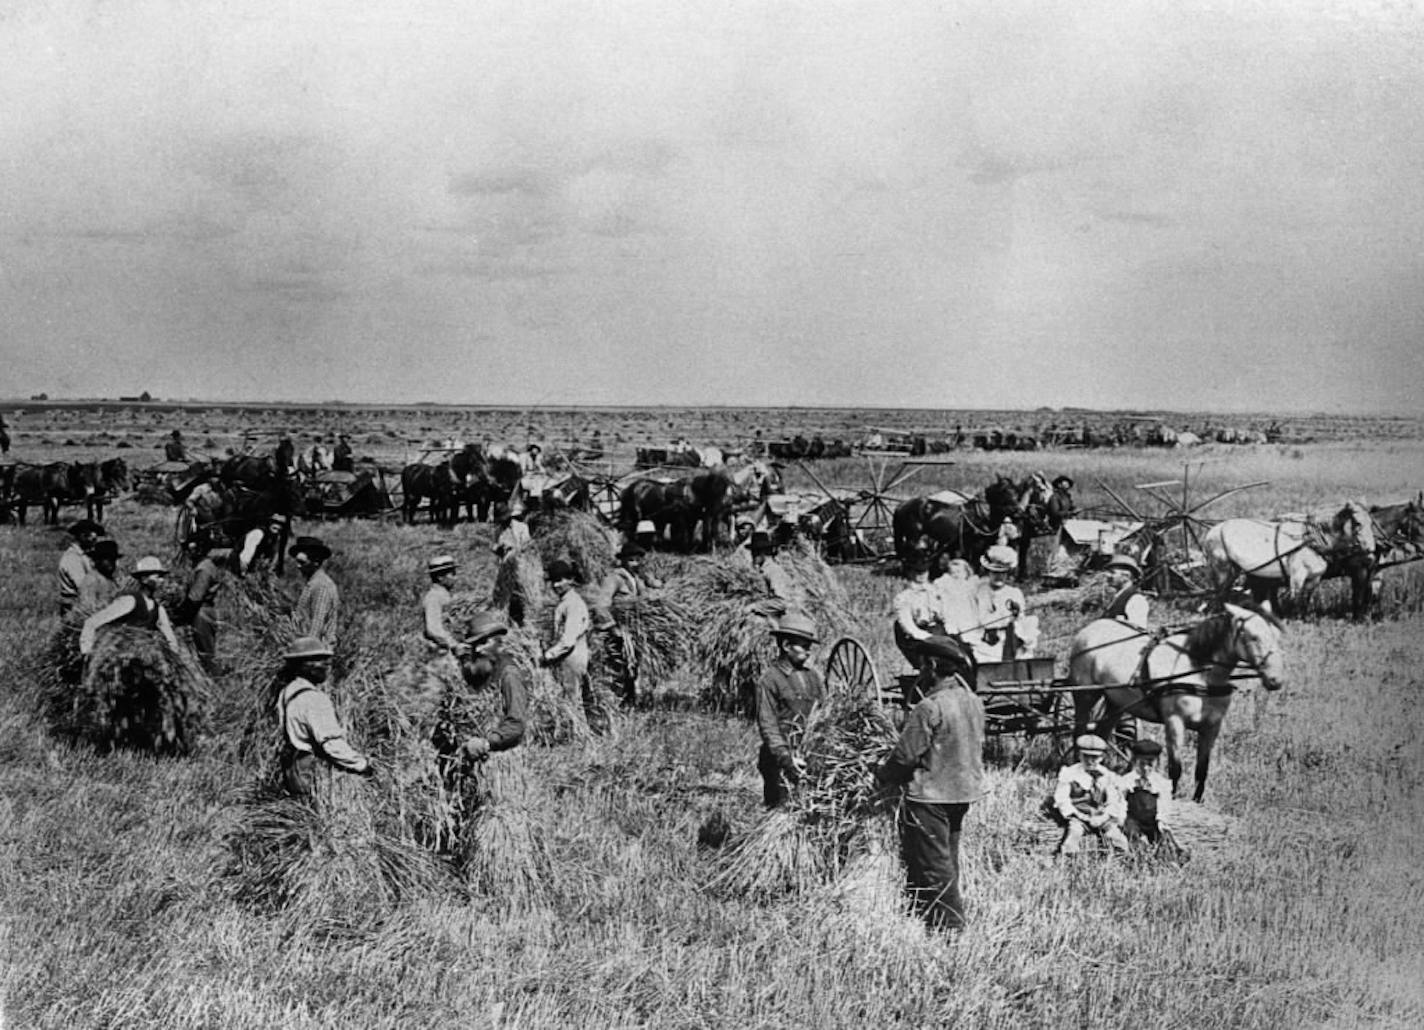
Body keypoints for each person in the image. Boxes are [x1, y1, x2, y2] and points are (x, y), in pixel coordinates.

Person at [875, 636, 986, 932]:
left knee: (935, 865)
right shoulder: (973, 701)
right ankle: (930, 914)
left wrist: (881, 775)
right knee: (948, 857)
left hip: (931, 795)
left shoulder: (929, 706)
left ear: (933, 665)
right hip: (963, 792)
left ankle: (951, 930)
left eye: (923, 664)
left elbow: (905, 756)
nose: (921, 670)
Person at [274, 636, 374, 798]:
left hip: (293, 771)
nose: (327, 667)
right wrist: (363, 765)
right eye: (322, 662)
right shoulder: (314, 699)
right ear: (305, 666)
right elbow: (331, 744)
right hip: (312, 776)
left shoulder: (288, 691)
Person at [754, 612, 823, 808]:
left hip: (809, 757)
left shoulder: (814, 678)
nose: (808, 652)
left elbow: (823, 714)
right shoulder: (770, 679)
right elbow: (768, 725)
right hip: (779, 762)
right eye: (804, 646)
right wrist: (786, 758)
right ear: (785, 646)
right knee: (780, 811)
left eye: (810, 647)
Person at [441, 611, 529, 764]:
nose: (478, 650)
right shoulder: (484, 669)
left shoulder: (509, 674)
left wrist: (486, 744)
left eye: (483, 643)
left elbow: (516, 725)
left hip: (498, 758)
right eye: (475, 645)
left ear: (497, 643)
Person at [79, 556, 180, 658]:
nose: (162, 581)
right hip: (122, 655)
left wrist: (174, 658)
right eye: (158, 577)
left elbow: (170, 638)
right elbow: (92, 623)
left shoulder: (158, 609)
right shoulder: (129, 601)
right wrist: (87, 653)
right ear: (144, 579)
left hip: (144, 656)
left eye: (162, 577)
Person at [592, 543, 656, 705]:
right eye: (632, 560)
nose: (636, 563)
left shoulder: (636, 579)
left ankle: (629, 701)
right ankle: (613, 703)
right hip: (617, 632)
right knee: (617, 668)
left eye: (638, 560)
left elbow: (645, 598)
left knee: (631, 668)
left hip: (632, 632)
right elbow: (601, 605)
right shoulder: (614, 579)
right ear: (624, 561)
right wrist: (613, 628)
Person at [1052, 734, 1129, 857]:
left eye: (1095, 757)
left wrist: (1104, 817)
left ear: (1102, 757)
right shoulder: (1070, 774)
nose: (1090, 761)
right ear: (1079, 755)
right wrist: (1079, 816)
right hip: (1079, 817)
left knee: (1117, 838)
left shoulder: (1106, 775)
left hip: (1101, 817)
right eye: (1086, 756)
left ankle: (1117, 863)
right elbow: (1062, 799)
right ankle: (1068, 863)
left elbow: (1113, 800)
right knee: (1074, 835)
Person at [543, 559, 594, 733]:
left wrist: (548, 655)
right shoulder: (566, 602)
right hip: (570, 655)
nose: (556, 585)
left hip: (572, 656)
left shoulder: (573, 604)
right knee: (571, 697)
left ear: (570, 580)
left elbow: (568, 639)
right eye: (553, 581)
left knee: (573, 699)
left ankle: (582, 737)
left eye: (560, 580)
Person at [968, 545, 1038, 663]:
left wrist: (1016, 615)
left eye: (1002, 573)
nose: (998, 577)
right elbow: (972, 618)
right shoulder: (978, 591)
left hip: (1009, 641)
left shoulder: (1014, 593)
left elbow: (1021, 621)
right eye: (994, 573)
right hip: (984, 643)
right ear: (988, 572)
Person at [1114, 739, 1183, 856]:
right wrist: (1121, 820)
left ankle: (1167, 857)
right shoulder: (1126, 781)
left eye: (1150, 764)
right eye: (1142, 764)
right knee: (1133, 837)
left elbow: (1163, 806)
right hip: (1133, 819)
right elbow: (1121, 802)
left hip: (1152, 820)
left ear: (1156, 763)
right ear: (1135, 761)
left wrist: (1161, 822)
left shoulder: (1161, 783)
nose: (1146, 768)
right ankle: (1140, 856)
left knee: (1165, 842)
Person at [180, 543, 231, 675]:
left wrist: (181, 616)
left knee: (206, 652)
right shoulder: (202, 566)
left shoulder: (204, 568)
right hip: (203, 610)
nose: (190, 553)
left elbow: (196, 597)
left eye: (193, 549)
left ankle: (216, 677)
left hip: (202, 612)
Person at [893, 554, 946, 671]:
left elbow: (946, 614)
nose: (922, 575)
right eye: (918, 572)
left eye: (925, 571)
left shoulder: (935, 591)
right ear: (910, 573)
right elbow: (908, 625)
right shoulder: (903, 598)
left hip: (937, 631)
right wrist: (926, 637)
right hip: (915, 638)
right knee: (936, 658)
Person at [290, 536, 340, 646]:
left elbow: (317, 624)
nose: (298, 566)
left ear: (316, 562)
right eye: (297, 562)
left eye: (302, 562)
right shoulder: (312, 583)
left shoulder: (321, 586)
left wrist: (307, 649)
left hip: (317, 650)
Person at [58, 519, 105, 615]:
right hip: (75, 609)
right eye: (92, 538)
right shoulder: (72, 558)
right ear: (82, 536)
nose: (94, 543)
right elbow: (83, 587)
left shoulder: (84, 555)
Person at [1100, 552, 1150, 629]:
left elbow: (1136, 634)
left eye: (1113, 573)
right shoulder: (1116, 597)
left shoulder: (1136, 600)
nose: (1108, 576)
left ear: (1126, 576)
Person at [77, 538, 125, 611]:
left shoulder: (111, 578)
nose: (111, 562)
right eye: (106, 559)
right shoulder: (91, 580)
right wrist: (113, 598)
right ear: (97, 560)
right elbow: (87, 609)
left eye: (113, 559)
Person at [751, 533, 797, 607]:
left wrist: (754, 607)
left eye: (757, 551)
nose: (753, 555)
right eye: (753, 551)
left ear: (764, 551)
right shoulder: (764, 570)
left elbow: (781, 602)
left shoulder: (773, 571)